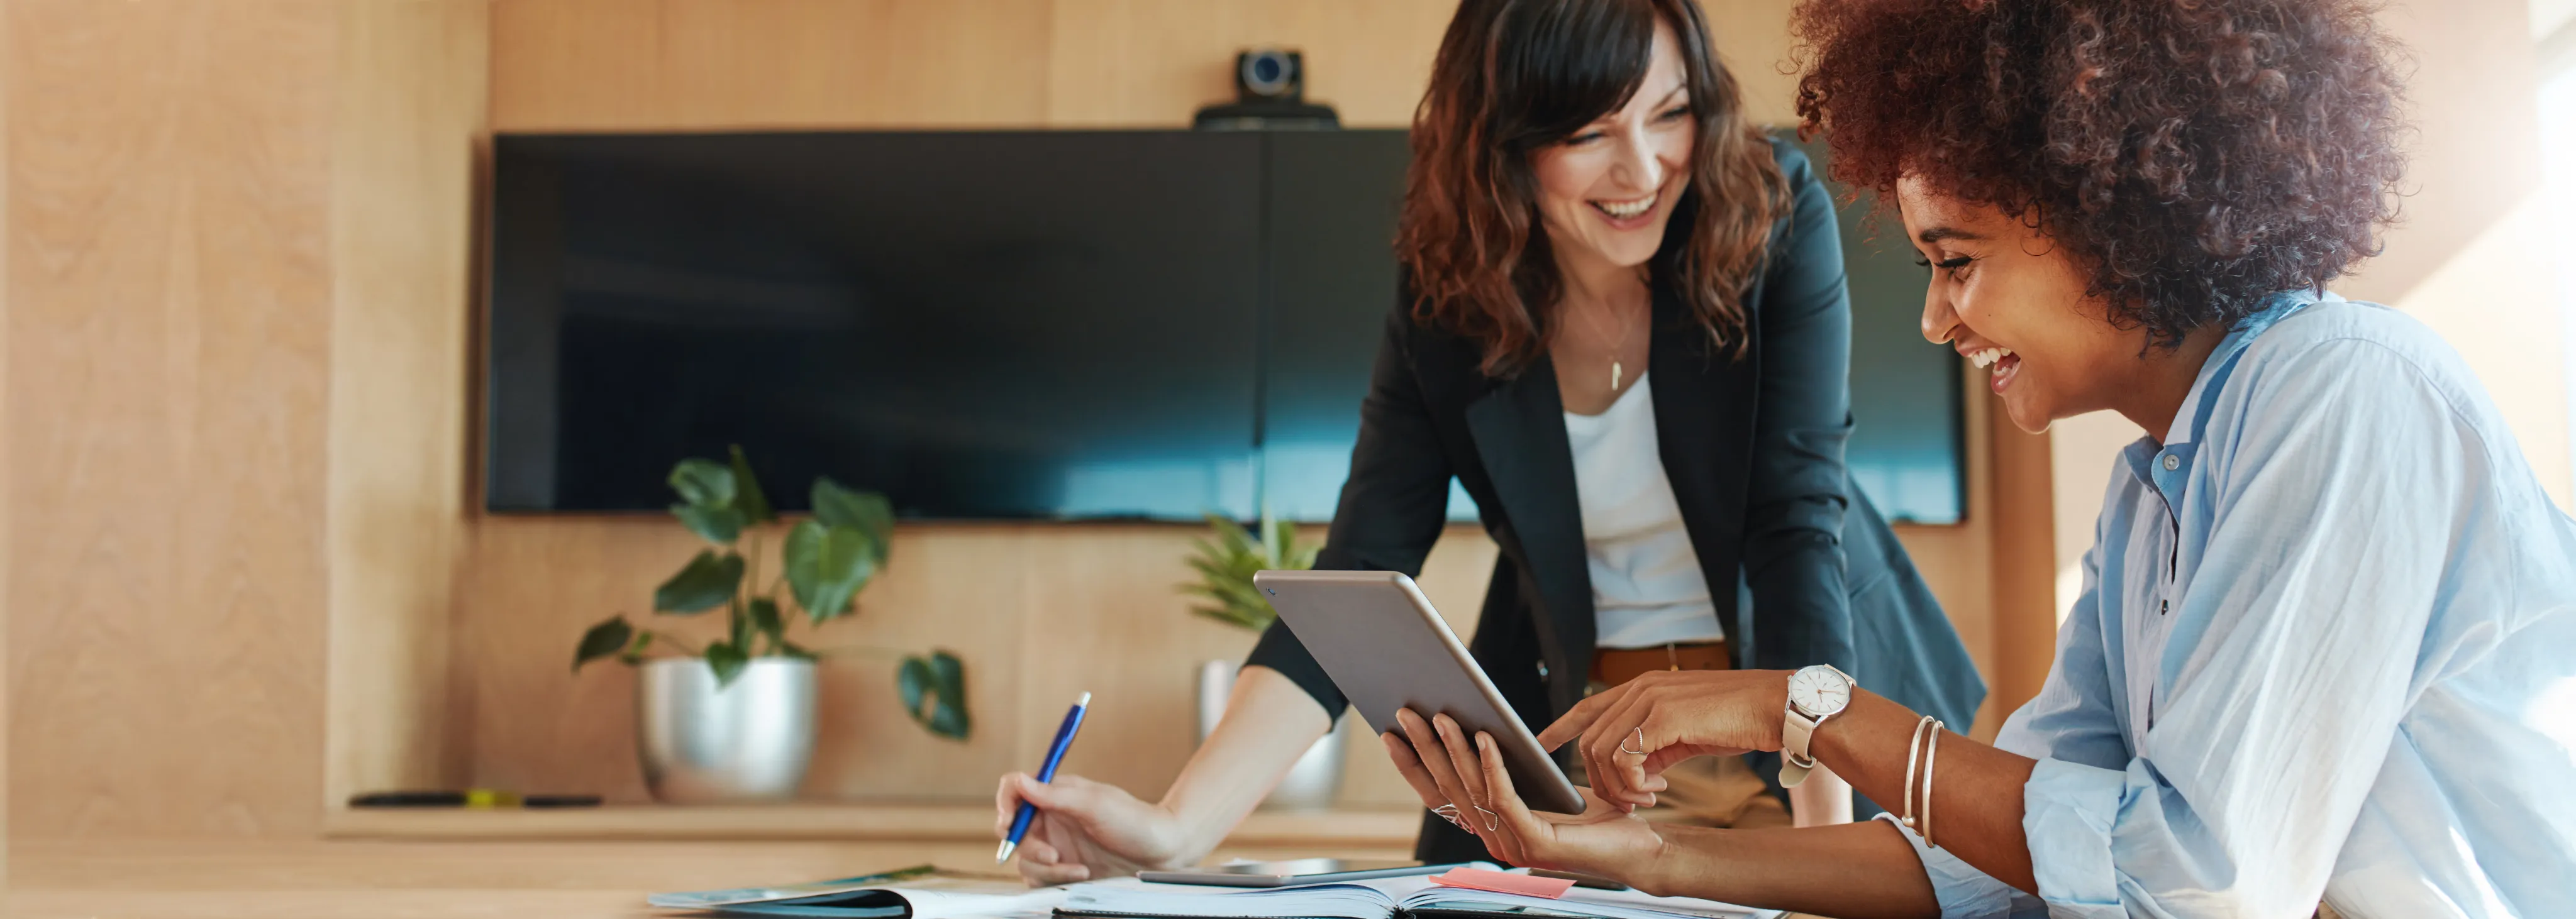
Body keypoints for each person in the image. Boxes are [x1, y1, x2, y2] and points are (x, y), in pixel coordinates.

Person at [1383, 0, 2576, 916]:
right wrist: (1646, 855)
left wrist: (1804, 706)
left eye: (1957, 261)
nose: (1937, 319)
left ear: (2109, 209)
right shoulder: (2152, 493)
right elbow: (2008, 860)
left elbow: (2189, 882)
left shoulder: (2343, 392)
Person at [993, 0, 1984, 880]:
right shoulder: (1450, 297)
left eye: (1670, 112)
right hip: (1597, 755)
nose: (1643, 168)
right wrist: (1172, 829)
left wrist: (1824, 846)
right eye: (1591, 131)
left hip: (1808, 724)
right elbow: (1360, 570)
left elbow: (1794, 521)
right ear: (1505, 140)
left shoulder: (1769, 213)